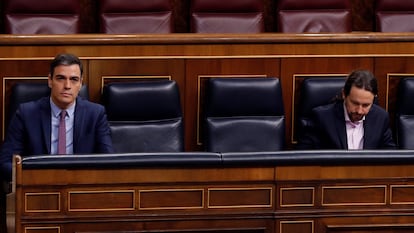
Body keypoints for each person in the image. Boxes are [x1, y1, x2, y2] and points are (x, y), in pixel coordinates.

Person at [0, 53, 114, 182]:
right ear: (50, 80)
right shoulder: (26, 113)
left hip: (79, 187)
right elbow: (5, 163)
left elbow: (108, 161)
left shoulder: (95, 114)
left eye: (74, 79)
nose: (67, 86)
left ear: (80, 83)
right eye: (60, 78)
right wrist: (38, 179)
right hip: (38, 188)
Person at [296, 70, 396, 150]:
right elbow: (304, 157)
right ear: (344, 94)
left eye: (366, 105)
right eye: (355, 103)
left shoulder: (381, 118)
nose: (359, 111)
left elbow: (390, 157)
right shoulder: (322, 118)